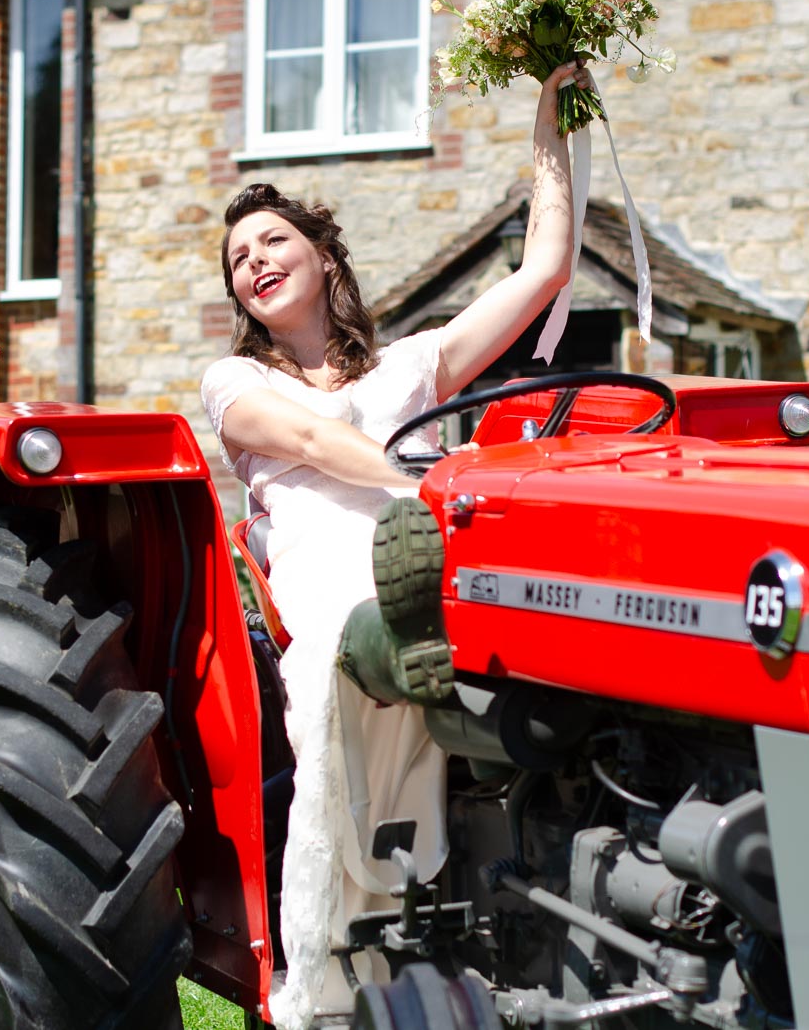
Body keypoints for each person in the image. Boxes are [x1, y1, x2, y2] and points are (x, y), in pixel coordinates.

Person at [200, 60, 588, 1030]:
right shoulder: (233, 385)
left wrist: (553, 120)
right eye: (239, 258)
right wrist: (425, 491)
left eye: (272, 239)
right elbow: (312, 442)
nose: (254, 260)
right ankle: (327, 973)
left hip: (436, 581)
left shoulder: (417, 364)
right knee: (349, 639)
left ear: (323, 256)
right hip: (338, 599)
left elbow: (541, 273)